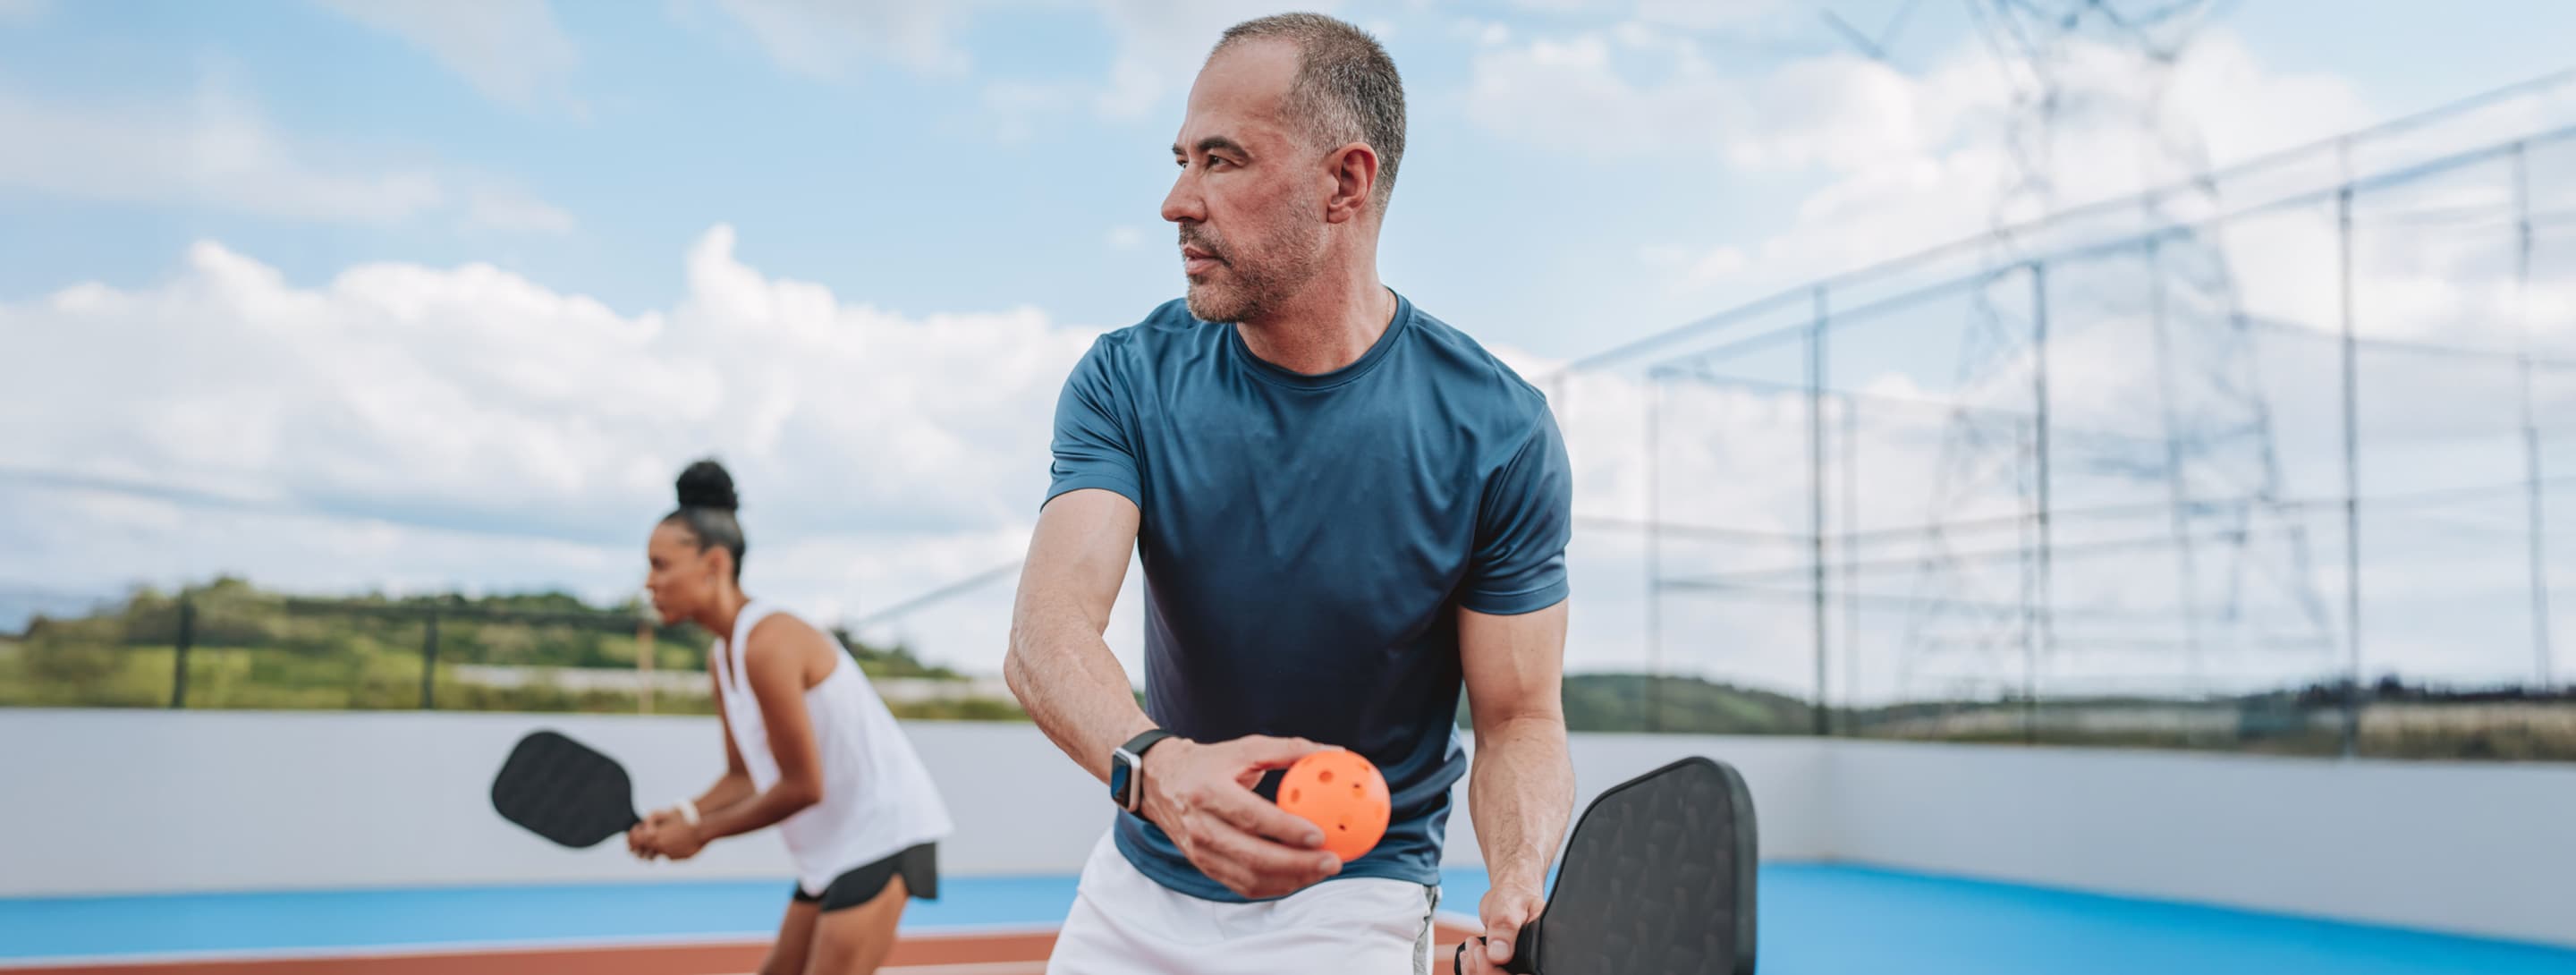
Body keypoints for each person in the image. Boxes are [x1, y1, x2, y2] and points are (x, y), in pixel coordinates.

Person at [1004, 13, 1576, 975]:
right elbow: (1046, 631)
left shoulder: (1501, 431)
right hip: (1141, 873)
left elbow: (1518, 714)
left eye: (1221, 160)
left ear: (1344, 182)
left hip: (1356, 893)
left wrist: (1518, 878)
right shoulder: (1125, 379)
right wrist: (1159, 771)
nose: (1176, 201)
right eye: (1182, 158)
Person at [629, 459, 956, 975]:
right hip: (833, 850)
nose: (648, 582)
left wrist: (701, 835)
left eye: (661, 565)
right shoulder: (725, 657)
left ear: (714, 564)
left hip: (883, 834)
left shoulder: (768, 644)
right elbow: (744, 777)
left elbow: (804, 786)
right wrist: (685, 815)